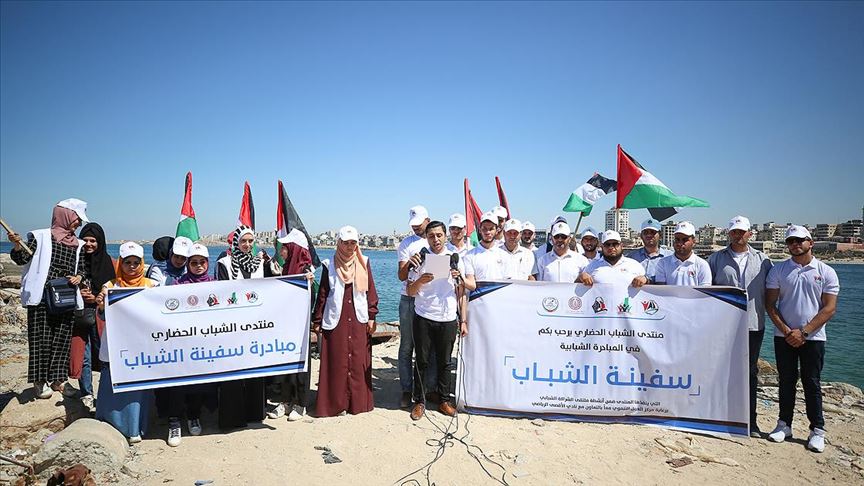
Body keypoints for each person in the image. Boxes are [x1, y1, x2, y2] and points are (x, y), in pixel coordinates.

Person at [765, 225, 839, 453]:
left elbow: (829, 308)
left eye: (799, 240)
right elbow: (770, 304)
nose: (795, 244)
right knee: (786, 381)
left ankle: (817, 430)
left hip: (813, 338)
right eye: (790, 241)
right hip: (783, 336)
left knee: (812, 382)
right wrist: (788, 331)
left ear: (810, 242)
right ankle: (784, 424)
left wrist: (804, 332)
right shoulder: (778, 270)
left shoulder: (826, 271)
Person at [9, 198, 88, 400]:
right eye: (77, 219)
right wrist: (17, 246)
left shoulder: (78, 244)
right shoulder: (40, 237)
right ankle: (39, 381)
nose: (79, 223)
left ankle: (58, 380)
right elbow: (22, 259)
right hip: (42, 297)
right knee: (40, 339)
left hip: (66, 296)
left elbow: (83, 270)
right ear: (65, 216)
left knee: (62, 339)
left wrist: (79, 277)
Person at [708, 215, 773, 438]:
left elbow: (773, 291)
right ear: (729, 233)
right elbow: (706, 290)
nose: (737, 235)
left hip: (753, 324)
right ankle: (720, 415)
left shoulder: (764, 261)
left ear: (750, 234)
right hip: (724, 325)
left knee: (750, 372)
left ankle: (750, 421)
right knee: (721, 369)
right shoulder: (716, 259)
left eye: (741, 232)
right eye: (734, 231)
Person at [94, 241, 157, 444]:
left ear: (142, 264)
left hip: (141, 348)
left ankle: (134, 428)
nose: (131, 266)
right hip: (116, 346)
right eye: (127, 262)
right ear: (120, 263)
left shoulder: (152, 286)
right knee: (113, 385)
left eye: (136, 262)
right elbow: (102, 316)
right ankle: (109, 424)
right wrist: (101, 304)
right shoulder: (111, 286)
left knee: (137, 390)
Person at [313, 226, 379, 417]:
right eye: (346, 243)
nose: (350, 247)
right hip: (336, 318)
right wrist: (317, 319)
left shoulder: (364, 262)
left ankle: (357, 403)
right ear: (339, 243)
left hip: (358, 318)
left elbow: (370, 291)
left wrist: (372, 316)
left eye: (353, 243)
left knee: (358, 360)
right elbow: (323, 293)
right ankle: (336, 404)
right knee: (337, 360)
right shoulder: (329, 264)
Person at [406, 221, 467, 420]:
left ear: (445, 235)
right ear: (427, 238)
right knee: (421, 361)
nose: (436, 239)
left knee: (445, 362)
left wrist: (463, 320)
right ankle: (419, 401)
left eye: (439, 235)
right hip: (423, 315)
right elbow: (410, 291)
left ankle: (444, 400)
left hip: (447, 317)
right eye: (431, 236)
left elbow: (461, 291)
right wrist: (420, 280)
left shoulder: (455, 258)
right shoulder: (419, 258)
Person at [215, 225, 273, 429]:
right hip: (232, 327)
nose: (247, 245)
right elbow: (221, 292)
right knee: (233, 372)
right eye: (243, 241)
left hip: (255, 326)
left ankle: (254, 413)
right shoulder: (224, 263)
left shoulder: (260, 263)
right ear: (236, 243)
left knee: (255, 371)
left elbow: (273, 288)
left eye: (250, 241)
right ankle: (233, 418)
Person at [163, 243, 212, 447]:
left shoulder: (216, 285)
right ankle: (174, 422)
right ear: (188, 264)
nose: (198, 266)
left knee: (198, 384)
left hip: (204, 344)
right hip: (181, 344)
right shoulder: (177, 285)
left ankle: (194, 416)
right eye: (194, 262)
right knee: (177, 383)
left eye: (202, 262)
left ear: (207, 263)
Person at [266, 232, 316, 421]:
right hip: (285, 326)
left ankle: (300, 403)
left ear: (295, 249)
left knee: (301, 364)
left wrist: (308, 283)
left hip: (300, 326)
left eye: (285, 248)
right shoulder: (287, 268)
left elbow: (311, 298)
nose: (282, 252)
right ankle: (285, 400)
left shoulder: (305, 270)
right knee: (285, 363)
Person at [68, 222, 115, 411]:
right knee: (83, 355)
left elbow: (114, 289)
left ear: (100, 242)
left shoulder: (110, 263)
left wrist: (96, 297)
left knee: (104, 356)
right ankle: (86, 393)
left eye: (93, 241)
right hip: (79, 316)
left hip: (101, 317)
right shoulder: (75, 262)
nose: (88, 244)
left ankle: (105, 394)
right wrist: (79, 294)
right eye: (85, 240)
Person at [396, 205, 431, 408]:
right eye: (413, 225)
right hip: (408, 299)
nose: (416, 228)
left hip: (430, 299)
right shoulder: (406, 244)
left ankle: (426, 389)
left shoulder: (436, 240)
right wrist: (409, 263)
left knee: (427, 348)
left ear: (428, 220)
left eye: (419, 224)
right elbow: (401, 276)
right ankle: (406, 389)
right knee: (407, 346)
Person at [579, 231, 647, 287]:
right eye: (607, 244)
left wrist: (645, 279)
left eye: (615, 244)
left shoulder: (635, 265)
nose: (611, 247)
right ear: (602, 247)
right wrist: (582, 277)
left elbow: (648, 285)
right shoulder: (592, 265)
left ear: (621, 245)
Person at [654, 222, 712, 286]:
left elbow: (705, 290)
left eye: (685, 240)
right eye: (677, 239)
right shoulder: (663, 263)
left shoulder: (702, 265)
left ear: (693, 242)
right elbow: (661, 289)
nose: (680, 243)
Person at [463, 212, 507, 290]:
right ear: (479, 230)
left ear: (497, 230)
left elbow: (508, 282)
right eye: (484, 229)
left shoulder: (504, 255)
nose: (487, 232)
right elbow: (471, 284)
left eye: (491, 229)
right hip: (479, 297)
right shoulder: (469, 256)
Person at [627, 219, 673, 283]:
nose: (649, 235)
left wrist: (647, 280)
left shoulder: (671, 257)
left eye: (653, 232)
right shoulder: (631, 257)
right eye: (645, 232)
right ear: (641, 236)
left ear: (660, 235)